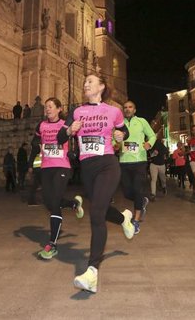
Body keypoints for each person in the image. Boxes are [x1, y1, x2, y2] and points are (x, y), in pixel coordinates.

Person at [57, 73, 135, 293]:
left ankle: (92, 272)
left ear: (101, 86)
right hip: (87, 169)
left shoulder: (113, 111)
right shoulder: (77, 112)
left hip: (108, 165)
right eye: (85, 82)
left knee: (97, 214)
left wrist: (120, 135)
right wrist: (70, 130)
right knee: (99, 208)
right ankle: (123, 219)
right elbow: (61, 139)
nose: (85, 84)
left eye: (90, 81)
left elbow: (124, 131)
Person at [27, 97, 84, 259]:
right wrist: (33, 159)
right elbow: (35, 142)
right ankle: (74, 203)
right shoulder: (41, 125)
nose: (48, 110)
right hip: (46, 167)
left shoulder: (65, 125)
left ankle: (52, 244)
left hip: (62, 166)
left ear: (59, 109)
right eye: (46, 107)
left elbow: (76, 140)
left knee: (55, 202)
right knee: (49, 201)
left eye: (51, 107)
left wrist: (77, 155)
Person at [116, 100, 154, 233]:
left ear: (135, 110)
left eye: (130, 107)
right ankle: (142, 200)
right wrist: (115, 145)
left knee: (137, 189)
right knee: (127, 192)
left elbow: (152, 135)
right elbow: (114, 140)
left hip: (139, 161)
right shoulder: (119, 125)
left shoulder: (142, 121)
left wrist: (149, 144)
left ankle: (136, 221)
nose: (127, 109)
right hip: (124, 161)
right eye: (125, 107)